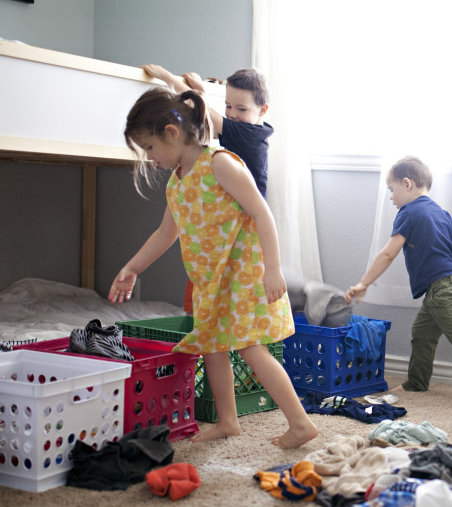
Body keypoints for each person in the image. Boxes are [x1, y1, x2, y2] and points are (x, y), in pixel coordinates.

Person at [109, 86, 318, 449]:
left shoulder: (219, 163)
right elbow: (165, 233)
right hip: (211, 280)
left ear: (171, 133)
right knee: (213, 345)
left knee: (252, 349)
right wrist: (133, 267)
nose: (150, 157)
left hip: (243, 274)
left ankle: (299, 423)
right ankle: (227, 421)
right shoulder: (177, 182)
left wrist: (273, 269)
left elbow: (261, 212)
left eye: (149, 147)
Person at [345, 156, 452, 411]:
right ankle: (417, 382)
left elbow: (388, 253)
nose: (391, 198)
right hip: (448, 284)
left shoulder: (408, 212)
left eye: (391, 190)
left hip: (443, 288)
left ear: (407, 184)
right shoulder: (441, 212)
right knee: (422, 334)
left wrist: (364, 283)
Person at [142, 64, 273, 199]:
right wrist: (201, 90)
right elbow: (208, 123)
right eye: (228, 106)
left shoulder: (249, 136)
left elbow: (206, 111)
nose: (232, 114)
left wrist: (166, 76)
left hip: (248, 212)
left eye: (241, 109)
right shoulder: (252, 132)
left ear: (262, 110)